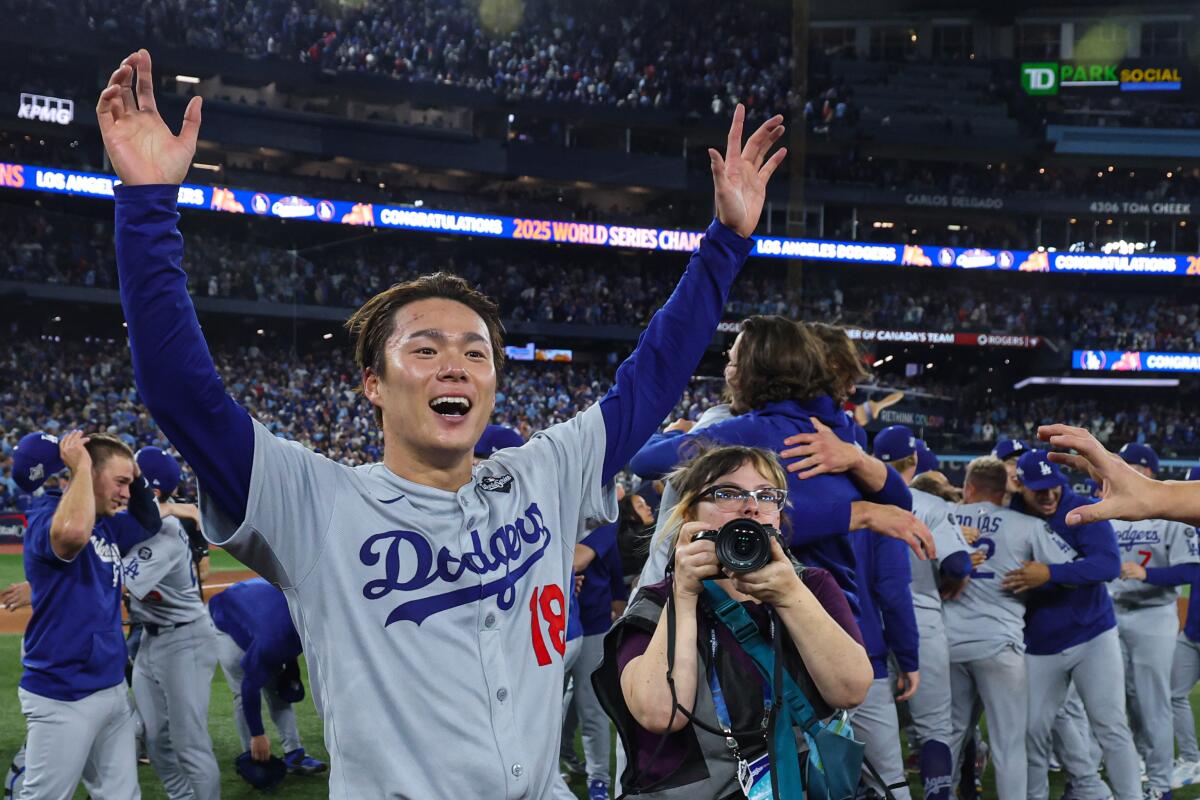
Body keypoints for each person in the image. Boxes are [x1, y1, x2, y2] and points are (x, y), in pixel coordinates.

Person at [100, 46, 787, 796]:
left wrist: (726, 244)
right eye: (424, 349)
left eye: (475, 352)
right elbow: (182, 395)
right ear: (372, 382)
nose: (455, 365)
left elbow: (652, 374)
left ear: (493, 383)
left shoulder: (545, 474)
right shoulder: (317, 502)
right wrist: (147, 205)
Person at [593, 445, 871, 797]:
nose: (751, 506)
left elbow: (851, 690)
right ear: (689, 514)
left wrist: (790, 596)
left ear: (777, 516)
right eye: (728, 493)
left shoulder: (810, 586)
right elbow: (661, 715)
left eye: (766, 495)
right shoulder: (656, 603)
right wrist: (684, 593)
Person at [630, 316, 926, 613]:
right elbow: (900, 502)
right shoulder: (840, 430)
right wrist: (859, 506)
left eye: (733, 362)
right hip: (838, 609)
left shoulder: (753, 429)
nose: (849, 390)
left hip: (778, 613)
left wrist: (678, 434)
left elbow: (644, 460)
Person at [18, 430, 161, 800]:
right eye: (120, 482)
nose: (126, 493)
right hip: (64, 693)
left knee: (122, 796)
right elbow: (72, 534)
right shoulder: (47, 516)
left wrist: (135, 472)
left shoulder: (108, 525)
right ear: (88, 472)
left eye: (129, 484)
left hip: (111, 687)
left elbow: (150, 520)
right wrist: (81, 466)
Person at [1003, 450, 1140, 800]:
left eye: (1053, 486)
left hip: (1092, 634)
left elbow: (1108, 565)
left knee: (1111, 726)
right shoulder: (1011, 514)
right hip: (1039, 643)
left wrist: (1050, 573)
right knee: (1032, 732)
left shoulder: (1082, 510)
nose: (1049, 495)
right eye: (1039, 489)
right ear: (1020, 486)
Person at [943, 456, 1079, 800]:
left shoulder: (943, 518)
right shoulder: (1026, 525)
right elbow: (1069, 567)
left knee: (949, 737)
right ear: (1004, 490)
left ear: (969, 487)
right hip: (999, 645)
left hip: (948, 644)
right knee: (1009, 743)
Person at [874, 426, 971, 800]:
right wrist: (954, 579)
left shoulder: (861, 499)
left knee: (876, 729)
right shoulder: (929, 504)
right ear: (914, 459)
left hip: (869, 623)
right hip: (921, 620)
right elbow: (958, 564)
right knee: (935, 728)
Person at [122, 446, 221, 800]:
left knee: (190, 744)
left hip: (186, 640)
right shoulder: (142, 522)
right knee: (156, 740)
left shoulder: (163, 531)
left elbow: (116, 581)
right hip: (151, 639)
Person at [1104, 442, 1199, 798]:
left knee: (1154, 703)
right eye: (1123, 464)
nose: (1126, 470)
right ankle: (1139, 768)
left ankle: (1160, 785)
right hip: (1114, 613)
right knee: (1123, 702)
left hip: (1153, 616)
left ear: (1149, 471)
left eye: (1133, 465)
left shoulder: (1171, 514)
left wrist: (1149, 574)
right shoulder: (1112, 512)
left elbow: (1192, 569)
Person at [207, 578, 327, 776]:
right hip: (225, 614)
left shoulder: (307, 620)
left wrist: (290, 668)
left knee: (278, 690)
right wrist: (258, 734)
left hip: (258, 608)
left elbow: (289, 642)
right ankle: (253, 757)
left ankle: (294, 754)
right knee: (242, 691)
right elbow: (249, 686)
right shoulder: (273, 639)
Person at [565, 518, 630, 800]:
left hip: (592, 626)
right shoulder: (548, 512)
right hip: (549, 629)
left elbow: (583, 562)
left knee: (592, 707)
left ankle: (599, 780)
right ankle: (559, 762)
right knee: (552, 710)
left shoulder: (604, 525)